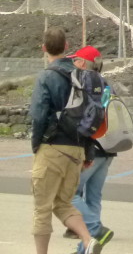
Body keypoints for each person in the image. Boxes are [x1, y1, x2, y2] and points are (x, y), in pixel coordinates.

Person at [29, 27, 105, 254]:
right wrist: (88, 152)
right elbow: (89, 114)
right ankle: (87, 239)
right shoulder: (82, 74)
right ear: (67, 46)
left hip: (51, 148)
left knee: (42, 209)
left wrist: (36, 145)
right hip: (77, 149)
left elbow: (38, 114)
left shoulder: (46, 76)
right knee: (63, 203)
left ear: (44, 48)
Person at [66, 47, 116, 251]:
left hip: (93, 148)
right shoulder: (107, 84)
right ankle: (86, 245)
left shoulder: (86, 80)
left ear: (82, 63)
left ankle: (94, 230)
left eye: (75, 60)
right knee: (94, 195)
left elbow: (84, 113)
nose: (72, 63)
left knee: (69, 192)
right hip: (109, 146)